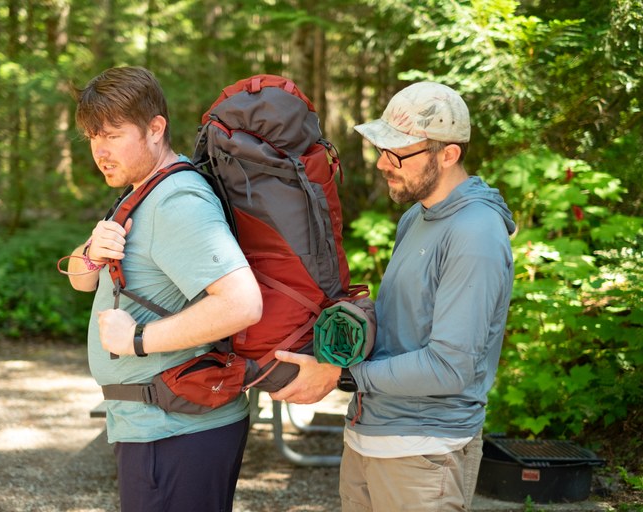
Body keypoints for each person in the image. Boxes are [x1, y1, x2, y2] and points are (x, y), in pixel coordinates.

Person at [271, 81, 516, 511]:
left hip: (423, 452)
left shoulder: (475, 234)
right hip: (370, 436)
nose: (384, 163)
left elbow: (449, 368)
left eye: (398, 153)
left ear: (449, 153)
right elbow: (403, 327)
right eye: (383, 149)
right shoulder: (415, 218)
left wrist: (340, 377)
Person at [65, 66, 263, 512]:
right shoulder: (142, 191)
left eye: (113, 135)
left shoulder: (176, 201)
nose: (100, 151)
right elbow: (82, 279)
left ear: (156, 129)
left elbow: (242, 303)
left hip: (176, 432)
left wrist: (137, 340)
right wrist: (93, 250)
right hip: (156, 425)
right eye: (93, 137)